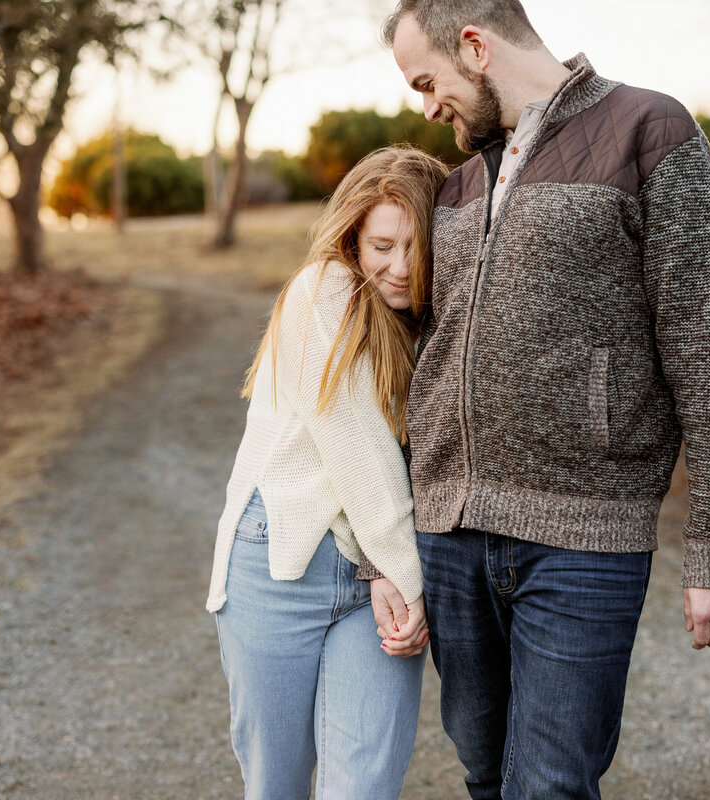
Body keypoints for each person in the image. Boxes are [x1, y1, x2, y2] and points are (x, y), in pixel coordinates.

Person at [372, 2, 710, 798]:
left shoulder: (648, 130)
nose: (426, 107)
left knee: (548, 785)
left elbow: (706, 344)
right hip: (448, 536)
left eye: (427, 82)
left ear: (475, 47)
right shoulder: (454, 187)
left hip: (582, 538)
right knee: (486, 776)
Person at [204, 145, 450, 800]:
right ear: (352, 237)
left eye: (416, 247)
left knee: (364, 787)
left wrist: (385, 569)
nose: (399, 268)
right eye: (381, 246)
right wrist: (405, 574)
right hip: (282, 566)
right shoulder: (323, 290)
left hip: (377, 565)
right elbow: (359, 447)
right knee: (276, 786)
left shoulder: (437, 318)